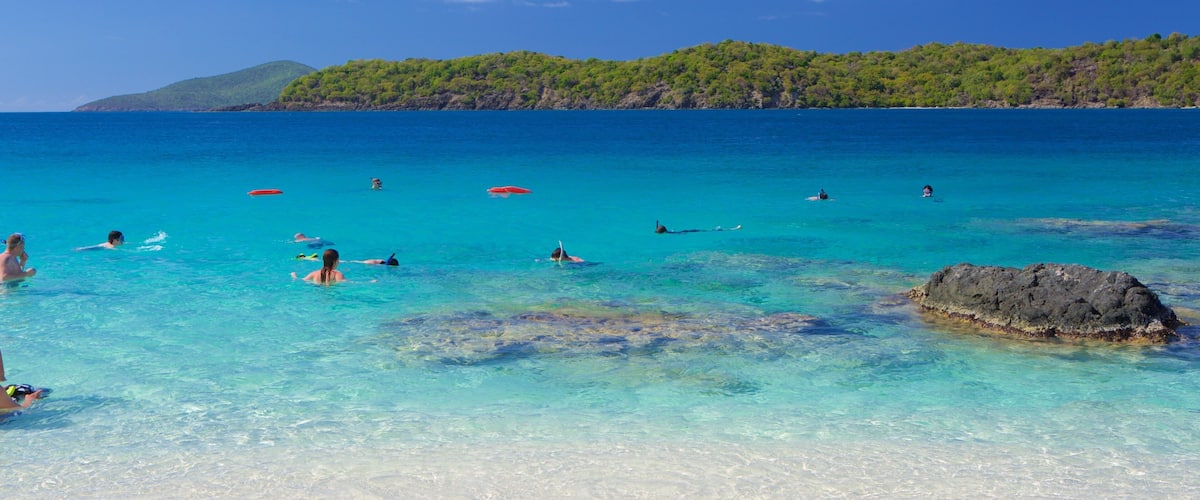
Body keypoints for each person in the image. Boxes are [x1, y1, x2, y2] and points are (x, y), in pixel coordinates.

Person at [656, 220, 741, 234]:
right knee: (707, 230)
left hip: (687, 231)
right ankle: (718, 229)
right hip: (686, 231)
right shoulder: (668, 232)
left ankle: (732, 229)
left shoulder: (669, 233)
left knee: (708, 231)